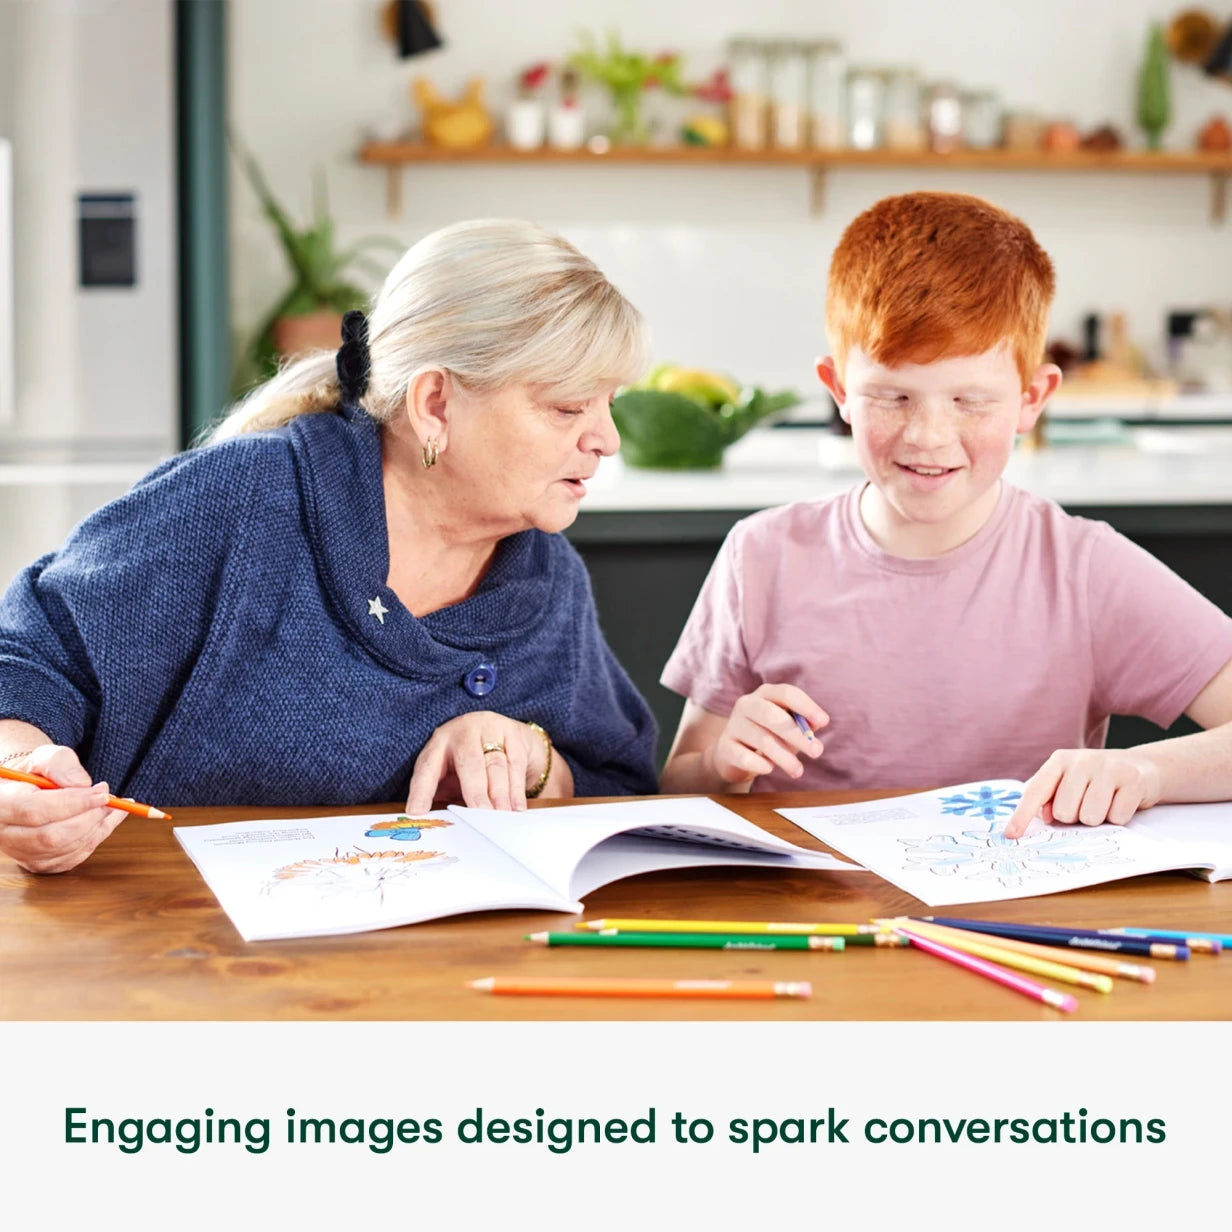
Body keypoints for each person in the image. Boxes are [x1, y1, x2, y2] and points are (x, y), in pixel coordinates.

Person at [0, 219, 658, 873]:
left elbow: (619, 784)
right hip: (161, 946)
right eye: (568, 408)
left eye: (608, 404)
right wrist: (18, 773)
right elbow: (28, 662)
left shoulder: (545, 579)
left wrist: (530, 756)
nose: (607, 438)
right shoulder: (243, 499)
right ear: (434, 404)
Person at [659, 191, 1232, 838]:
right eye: (893, 396)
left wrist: (1147, 772)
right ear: (839, 391)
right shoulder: (760, 555)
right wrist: (724, 762)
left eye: (970, 400)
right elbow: (680, 780)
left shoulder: (1082, 570)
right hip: (816, 918)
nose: (929, 436)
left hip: (1011, 922)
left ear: (1031, 399)